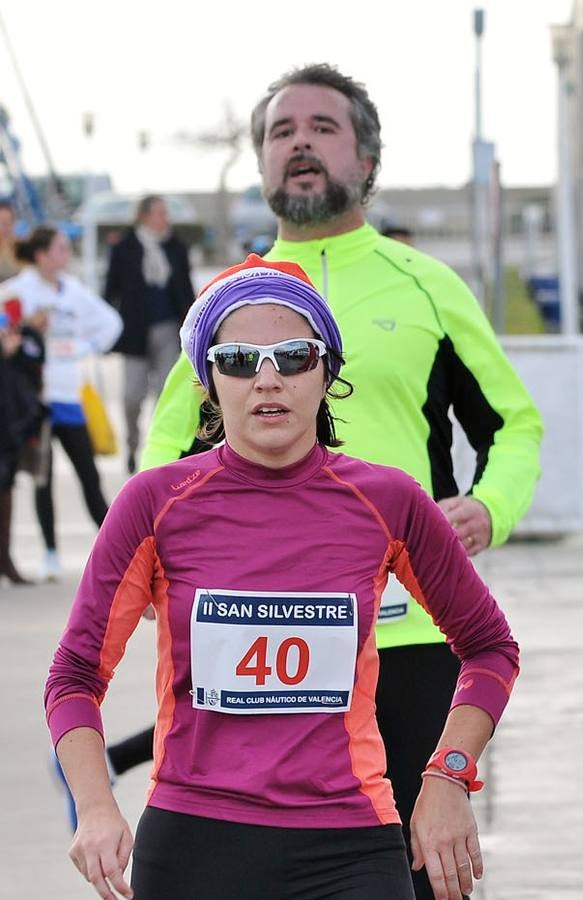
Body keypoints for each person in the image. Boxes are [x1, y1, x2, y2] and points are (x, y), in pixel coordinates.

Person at [129, 63, 542, 900]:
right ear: (263, 162)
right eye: (282, 132)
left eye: (322, 128)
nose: (301, 145)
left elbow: (515, 425)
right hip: (252, 641)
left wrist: (489, 507)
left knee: (422, 876)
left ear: (366, 156)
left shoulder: (426, 285)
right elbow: (163, 457)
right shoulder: (225, 309)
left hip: (409, 638)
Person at [45, 256, 518, 900]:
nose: (268, 379)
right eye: (239, 359)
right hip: (193, 841)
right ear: (208, 382)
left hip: (351, 847)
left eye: (294, 355)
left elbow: (490, 647)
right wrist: (96, 806)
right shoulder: (155, 503)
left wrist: (448, 775)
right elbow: (74, 673)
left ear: (326, 372)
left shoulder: (390, 500)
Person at [3, 226, 122, 581]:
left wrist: (85, 347)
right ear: (41, 254)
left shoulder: (73, 291)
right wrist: (25, 336)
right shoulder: (18, 291)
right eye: (58, 248)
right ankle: (51, 554)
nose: (64, 254)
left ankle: (120, 548)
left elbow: (111, 324)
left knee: (89, 474)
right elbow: (6, 330)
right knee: (44, 478)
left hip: (69, 395)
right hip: (35, 400)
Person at [104, 195, 195, 473]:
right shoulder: (125, 248)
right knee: (132, 396)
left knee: (165, 393)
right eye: (159, 213)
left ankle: (160, 451)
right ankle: (131, 445)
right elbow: (110, 290)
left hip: (169, 328)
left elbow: (186, 288)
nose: (165, 218)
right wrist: (105, 329)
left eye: (166, 213)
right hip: (135, 332)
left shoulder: (176, 247)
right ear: (143, 216)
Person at [0, 307, 42, 584]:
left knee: (5, 498)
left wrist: (26, 334)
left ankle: (5, 559)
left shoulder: (16, 360)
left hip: (8, 440)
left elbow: (37, 359)